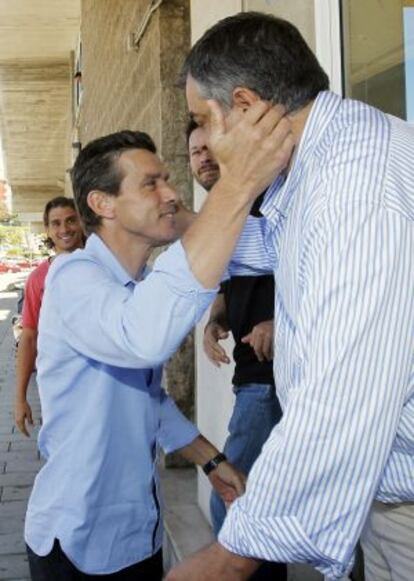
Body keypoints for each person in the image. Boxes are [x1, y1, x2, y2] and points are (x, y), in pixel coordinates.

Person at [167, 12, 414, 581]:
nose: (203, 139)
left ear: (247, 107)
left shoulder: (357, 192)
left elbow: (342, 395)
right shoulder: (325, 161)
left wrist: (231, 557)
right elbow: (271, 247)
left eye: (205, 119)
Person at [25, 123, 294, 580]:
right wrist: (236, 188)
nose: (171, 193)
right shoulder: (74, 278)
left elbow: (146, 397)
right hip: (78, 542)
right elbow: (141, 338)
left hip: (137, 533)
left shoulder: (137, 286)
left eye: (168, 179)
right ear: (102, 203)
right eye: (151, 183)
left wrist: (210, 459)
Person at [188, 120, 286, 580]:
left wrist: (279, 321)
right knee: (259, 493)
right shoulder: (226, 211)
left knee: (233, 490)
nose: (203, 158)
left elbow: (310, 272)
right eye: (194, 153)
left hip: (273, 376)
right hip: (251, 373)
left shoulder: (269, 199)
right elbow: (235, 283)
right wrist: (216, 320)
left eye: (208, 147)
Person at [15, 196, 84, 437]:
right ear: (48, 229)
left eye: (70, 220)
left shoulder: (102, 264)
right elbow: (29, 337)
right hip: (60, 385)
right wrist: (20, 398)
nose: (64, 229)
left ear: (82, 222)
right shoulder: (38, 278)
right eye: (56, 223)